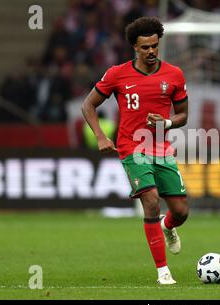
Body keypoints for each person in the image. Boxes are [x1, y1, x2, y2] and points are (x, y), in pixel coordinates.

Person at [81, 16, 189, 285]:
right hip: (132, 147)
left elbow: (184, 115)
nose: (151, 51)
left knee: (181, 212)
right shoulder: (117, 74)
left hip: (162, 148)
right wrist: (101, 136)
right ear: (134, 48)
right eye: (145, 47)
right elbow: (88, 105)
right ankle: (162, 271)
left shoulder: (174, 74)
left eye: (154, 46)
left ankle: (168, 227)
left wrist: (167, 122)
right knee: (151, 201)